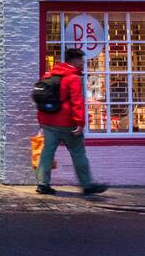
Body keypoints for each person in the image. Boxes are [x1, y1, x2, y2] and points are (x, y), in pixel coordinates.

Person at [36, 48, 108, 196]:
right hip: (67, 123)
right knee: (78, 153)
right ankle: (87, 185)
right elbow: (77, 102)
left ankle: (42, 184)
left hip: (48, 121)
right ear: (74, 60)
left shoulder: (49, 74)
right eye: (81, 60)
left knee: (47, 152)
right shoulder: (73, 77)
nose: (82, 63)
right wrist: (80, 123)